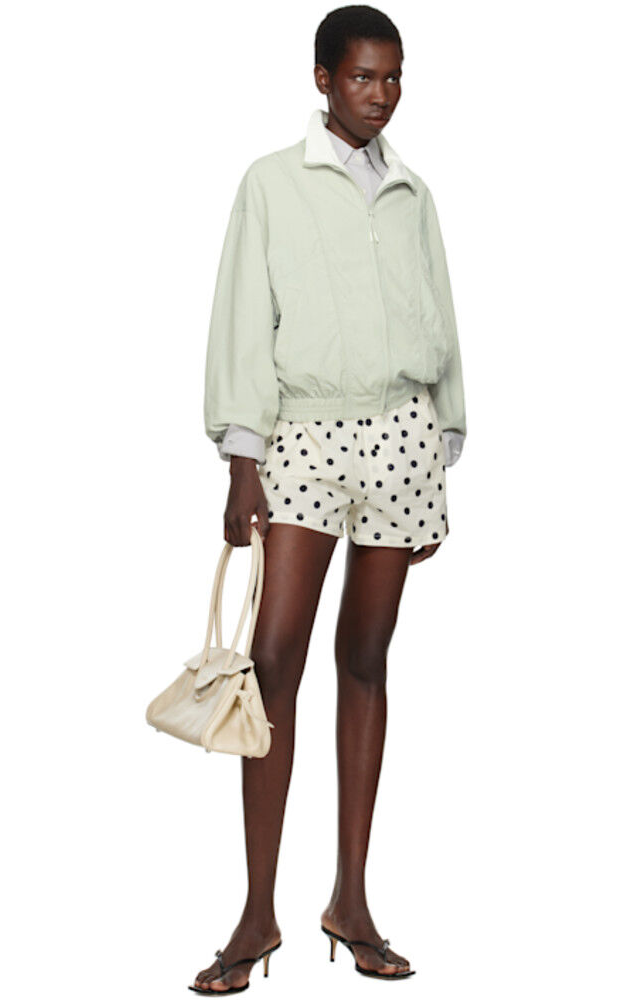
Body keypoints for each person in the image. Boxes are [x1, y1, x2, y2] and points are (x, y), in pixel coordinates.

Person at [191, 5, 466, 992]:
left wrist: (445, 441)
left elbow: (441, 314)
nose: (380, 94)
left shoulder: (412, 192)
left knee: (366, 657)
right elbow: (241, 315)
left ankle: (351, 900)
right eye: (361, 76)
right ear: (322, 79)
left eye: (393, 77)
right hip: (303, 435)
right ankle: (256, 914)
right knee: (273, 663)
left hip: (401, 436)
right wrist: (242, 459)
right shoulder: (272, 182)